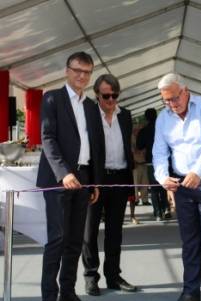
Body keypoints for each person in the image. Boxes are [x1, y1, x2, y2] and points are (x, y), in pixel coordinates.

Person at [153, 73, 201, 301]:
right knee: (189, 240)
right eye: (166, 101)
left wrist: (198, 171)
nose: (172, 104)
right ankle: (190, 291)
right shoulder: (163, 118)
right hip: (182, 185)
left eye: (175, 98)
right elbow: (159, 152)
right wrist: (162, 177)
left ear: (186, 91)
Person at [36, 51, 103, 301]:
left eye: (86, 72)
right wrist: (64, 173)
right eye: (77, 70)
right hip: (58, 179)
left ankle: (68, 292)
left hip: (84, 179)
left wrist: (95, 182)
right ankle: (49, 295)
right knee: (57, 238)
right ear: (67, 70)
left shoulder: (90, 106)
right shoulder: (52, 98)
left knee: (76, 240)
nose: (81, 76)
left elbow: (95, 146)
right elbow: (48, 139)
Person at [82, 74, 137, 296]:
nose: (111, 100)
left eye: (115, 95)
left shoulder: (126, 116)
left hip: (120, 178)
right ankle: (90, 277)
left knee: (116, 231)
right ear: (97, 95)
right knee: (89, 232)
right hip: (97, 179)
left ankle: (113, 276)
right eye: (106, 96)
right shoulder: (89, 114)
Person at [137, 108, 171, 221]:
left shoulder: (144, 131)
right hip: (165, 160)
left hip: (151, 162)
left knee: (154, 188)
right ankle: (166, 208)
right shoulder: (163, 128)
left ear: (146, 118)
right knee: (164, 185)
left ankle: (157, 213)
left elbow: (139, 145)